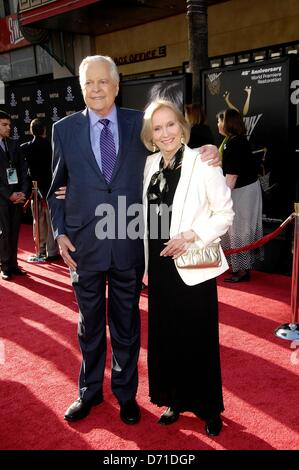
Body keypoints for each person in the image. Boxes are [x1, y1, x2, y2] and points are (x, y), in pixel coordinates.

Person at [48, 55, 220, 425]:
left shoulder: (137, 123)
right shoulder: (63, 129)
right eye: (88, 83)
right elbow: (54, 188)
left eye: (103, 82)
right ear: (81, 87)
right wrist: (59, 232)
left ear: (116, 84)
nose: (96, 89)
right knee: (88, 324)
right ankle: (89, 392)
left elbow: (171, 149)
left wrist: (210, 151)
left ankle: (126, 395)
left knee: (126, 324)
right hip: (84, 247)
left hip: (128, 242)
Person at [141, 99, 234, 436]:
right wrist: (147, 266)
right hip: (161, 267)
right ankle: (175, 400)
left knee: (198, 337)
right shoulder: (150, 164)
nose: (165, 133)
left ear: (182, 126)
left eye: (170, 125)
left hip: (193, 262)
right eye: (157, 127)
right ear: (150, 135)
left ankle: (209, 407)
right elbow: (147, 220)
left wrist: (193, 235)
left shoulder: (204, 161)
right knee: (167, 337)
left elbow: (225, 215)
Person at [217, 108, 263, 282]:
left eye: (220, 120)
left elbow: (232, 176)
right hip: (241, 190)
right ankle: (237, 266)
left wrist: (221, 200)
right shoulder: (232, 141)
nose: (218, 124)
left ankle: (243, 271)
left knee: (241, 229)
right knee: (235, 229)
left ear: (227, 123)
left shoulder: (234, 143)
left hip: (243, 191)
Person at [21, 118, 59, 261]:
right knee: (50, 221)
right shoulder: (51, 147)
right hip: (49, 189)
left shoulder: (24, 147)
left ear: (31, 131)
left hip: (34, 189)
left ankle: (40, 250)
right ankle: (52, 251)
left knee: (38, 220)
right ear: (44, 131)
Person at [0, 110, 29, 281]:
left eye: (9, 124)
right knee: (4, 232)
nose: (9, 128)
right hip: (2, 199)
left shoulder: (14, 144)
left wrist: (23, 192)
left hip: (17, 197)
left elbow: (24, 171)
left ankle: (13, 264)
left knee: (15, 231)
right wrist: (9, 195)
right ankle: (4, 266)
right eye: (4, 125)